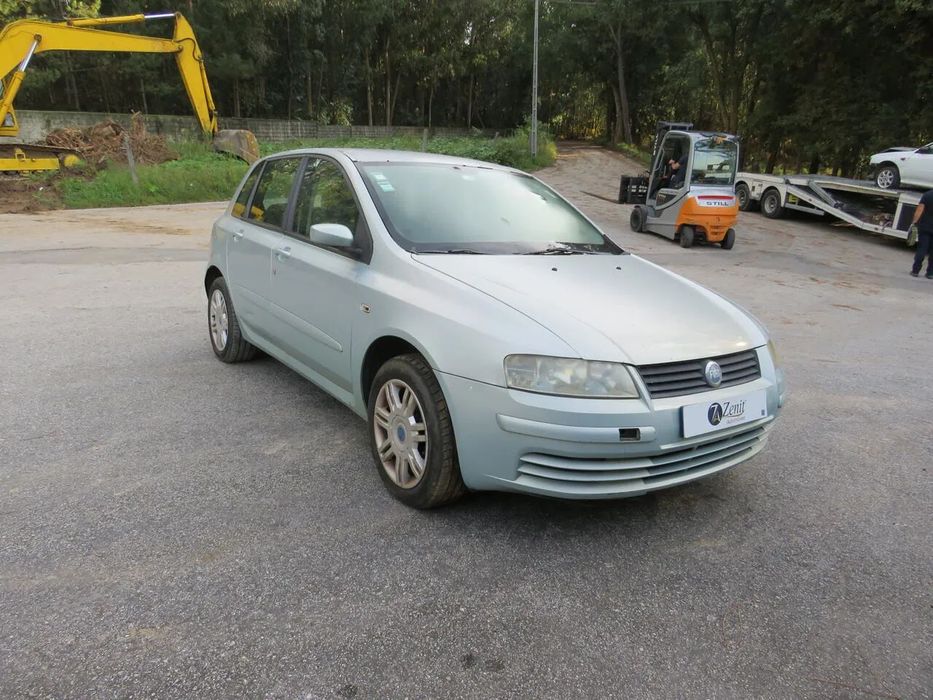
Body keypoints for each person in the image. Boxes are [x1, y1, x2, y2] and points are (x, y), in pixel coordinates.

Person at [910, 188, 933, 278]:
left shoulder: (927, 195)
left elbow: (919, 210)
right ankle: (930, 273)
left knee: (922, 249)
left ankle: (915, 270)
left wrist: (914, 223)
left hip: (925, 227)